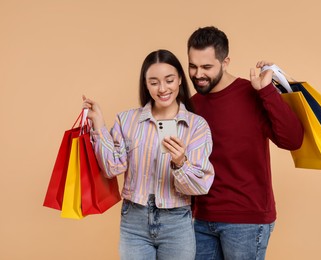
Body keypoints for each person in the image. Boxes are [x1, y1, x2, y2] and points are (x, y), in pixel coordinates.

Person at [82, 49, 215, 260]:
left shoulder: (196, 126)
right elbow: (111, 169)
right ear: (145, 84)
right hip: (134, 220)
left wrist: (180, 162)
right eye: (154, 82)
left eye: (169, 80)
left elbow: (200, 186)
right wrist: (99, 126)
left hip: (176, 222)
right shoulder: (127, 120)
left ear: (180, 79)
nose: (162, 88)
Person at [187, 26, 304, 260]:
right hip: (201, 219)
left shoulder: (253, 93)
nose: (198, 74)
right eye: (193, 66)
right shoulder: (193, 105)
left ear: (225, 61)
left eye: (207, 67)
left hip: (246, 221)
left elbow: (293, 139)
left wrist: (268, 92)